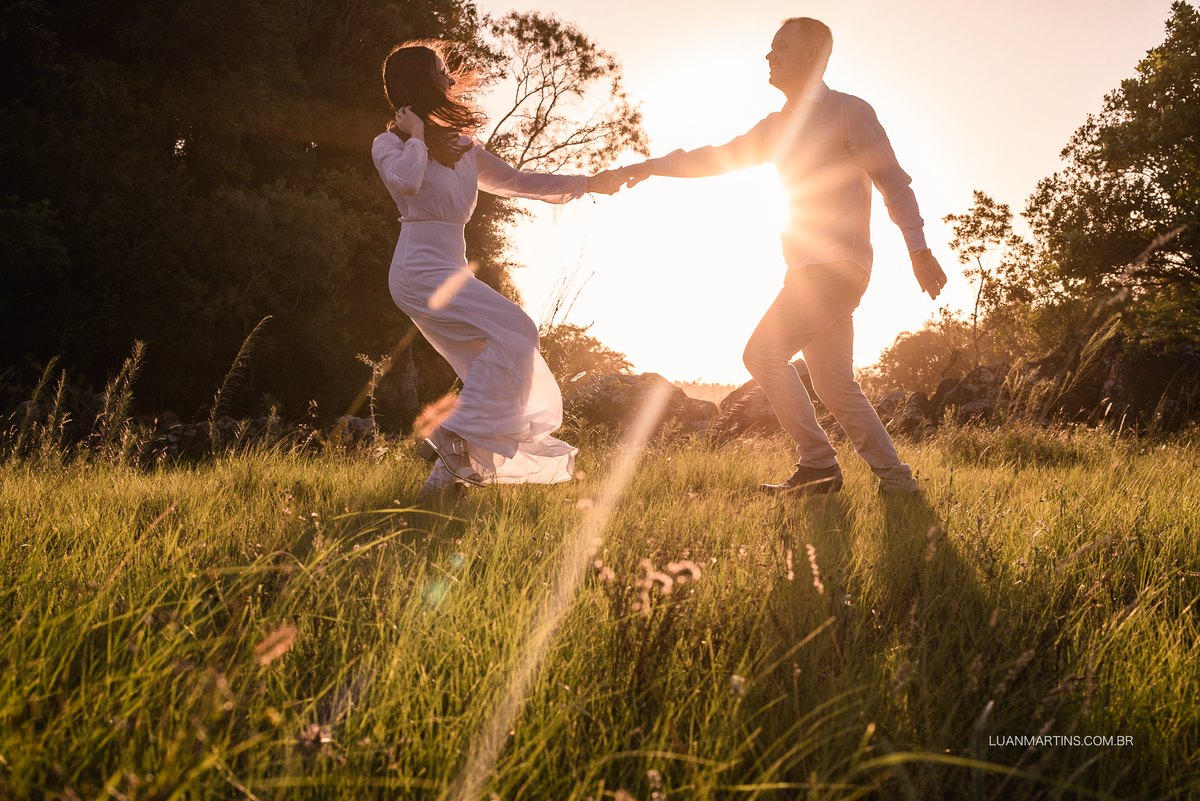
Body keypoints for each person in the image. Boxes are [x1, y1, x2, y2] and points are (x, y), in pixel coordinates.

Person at [619, 17, 947, 495]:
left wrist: (920, 250)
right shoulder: (777, 127)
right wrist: (652, 166)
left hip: (836, 268)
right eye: (770, 48)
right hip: (806, 270)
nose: (769, 57)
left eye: (781, 47)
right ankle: (897, 481)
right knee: (835, 385)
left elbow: (892, 181)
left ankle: (818, 465)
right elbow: (716, 157)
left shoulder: (847, 111)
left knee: (762, 353)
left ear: (813, 55)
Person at [372, 41, 622, 497]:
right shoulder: (389, 144)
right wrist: (417, 137)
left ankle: (446, 476)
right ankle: (451, 434)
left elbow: (518, 182)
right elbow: (406, 182)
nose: (450, 80)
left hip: (449, 270)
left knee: (495, 360)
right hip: (417, 268)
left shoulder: (464, 149)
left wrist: (590, 183)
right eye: (442, 72)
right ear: (420, 82)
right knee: (519, 329)